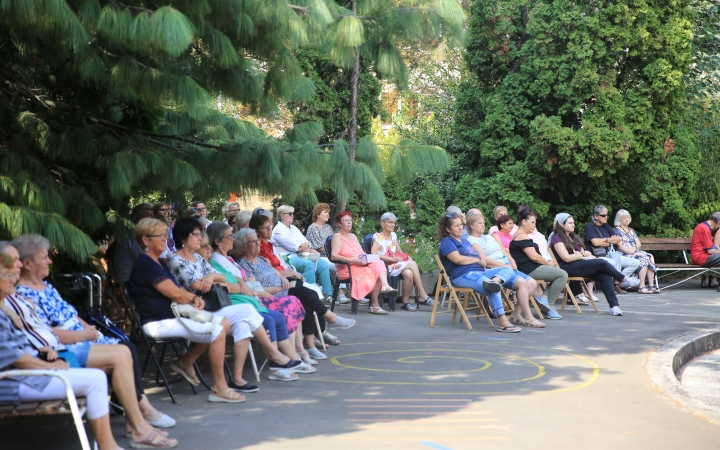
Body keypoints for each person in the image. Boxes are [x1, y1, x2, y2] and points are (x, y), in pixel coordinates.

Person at [1, 244, 178, 448]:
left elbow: (27, 338)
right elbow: (16, 356)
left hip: (44, 357)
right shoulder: (15, 298)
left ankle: (135, 424)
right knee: (109, 366)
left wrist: (45, 347)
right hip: (22, 378)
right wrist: (53, 362)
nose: (17, 270)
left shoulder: (15, 298)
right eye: (10, 267)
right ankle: (129, 430)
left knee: (123, 349)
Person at [167, 218, 307, 389]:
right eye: (195, 235)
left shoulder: (198, 258)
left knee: (244, 324)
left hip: (211, 304)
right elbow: (196, 285)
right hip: (195, 308)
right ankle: (274, 355)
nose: (200, 238)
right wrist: (217, 281)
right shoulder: (176, 259)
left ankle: (236, 378)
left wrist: (212, 277)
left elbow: (222, 278)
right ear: (183, 238)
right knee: (247, 310)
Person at [128, 218, 253, 402]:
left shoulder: (159, 263)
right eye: (160, 236)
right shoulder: (146, 264)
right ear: (146, 240)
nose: (165, 239)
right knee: (219, 328)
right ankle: (219, 388)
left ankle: (187, 361)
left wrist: (193, 298)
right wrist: (194, 298)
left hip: (173, 315)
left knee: (223, 323)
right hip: (158, 321)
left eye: (165, 235)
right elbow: (176, 293)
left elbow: (179, 292)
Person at [204, 223, 306, 381]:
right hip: (239, 302)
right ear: (217, 241)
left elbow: (237, 279)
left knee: (280, 315)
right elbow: (227, 285)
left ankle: (290, 357)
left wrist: (243, 285)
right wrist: (246, 288)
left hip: (251, 299)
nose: (233, 239)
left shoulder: (229, 259)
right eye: (230, 236)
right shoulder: (216, 261)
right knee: (272, 317)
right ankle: (278, 362)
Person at [248, 215, 354, 348]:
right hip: (274, 288)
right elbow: (259, 282)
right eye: (266, 227)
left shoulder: (269, 246)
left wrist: (289, 273)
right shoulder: (256, 253)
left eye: (270, 225)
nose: (270, 229)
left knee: (311, 294)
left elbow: (276, 268)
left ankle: (314, 338)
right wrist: (286, 277)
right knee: (304, 294)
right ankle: (324, 326)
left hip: (282, 280)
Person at [437, 213, 522, 332]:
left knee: (507, 269)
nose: (461, 227)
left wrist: (482, 262)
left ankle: (494, 281)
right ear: (448, 229)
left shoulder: (464, 241)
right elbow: (457, 259)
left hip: (480, 273)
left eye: (461, 225)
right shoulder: (448, 242)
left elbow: (480, 259)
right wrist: (477, 260)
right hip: (462, 275)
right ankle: (503, 322)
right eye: (456, 226)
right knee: (492, 288)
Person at [465, 214, 545, 327]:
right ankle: (529, 318)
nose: (483, 225)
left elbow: (503, 251)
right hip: (495, 270)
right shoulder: (471, 240)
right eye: (480, 223)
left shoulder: (488, 237)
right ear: (472, 226)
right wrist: (504, 265)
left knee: (531, 283)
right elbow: (484, 259)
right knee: (523, 283)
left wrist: (512, 261)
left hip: (507, 267)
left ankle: (516, 314)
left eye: (483, 222)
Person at [550, 213, 630, 316]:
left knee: (605, 276)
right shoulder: (557, 238)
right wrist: (582, 254)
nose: (573, 225)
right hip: (566, 267)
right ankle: (623, 279)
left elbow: (581, 252)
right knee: (601, 262)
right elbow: (566, 258)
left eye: (573, 222)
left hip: (578, 265)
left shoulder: (572, 238)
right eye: (570, 223)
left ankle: (614, 307)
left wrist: (588, 256)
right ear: (562, 224)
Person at [331, 211, 397, 315]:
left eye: (350, 220)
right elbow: (333, 256)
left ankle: (384, 287)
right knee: (376, 270)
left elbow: (361, 252)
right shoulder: (337, 236)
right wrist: (353, 260)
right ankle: (375, 305)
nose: (349, 223)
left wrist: (366, 258)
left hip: (360, 265)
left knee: (378, 264)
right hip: (347, 268)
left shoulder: (353, 236)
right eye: (346, 221)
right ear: (339, 224)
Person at [509, 207, 568, 320]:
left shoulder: (518, 234)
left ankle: (544, 299)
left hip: (530, 267)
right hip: (528, 269)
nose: (534, 225)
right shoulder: (521, 236)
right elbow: (534, 257)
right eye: (532, 222)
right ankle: (548, 304)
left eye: (535, 223)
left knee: (560, 274)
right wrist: (549, 264)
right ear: (524, 222)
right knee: (562, 274)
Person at [370, 212, 434, 311]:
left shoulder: (394, 236)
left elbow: (399, 252)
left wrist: (407, 257)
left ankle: (405, 302)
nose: (393, 225)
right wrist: (391, 259)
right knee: (412, 264)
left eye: (394, 223)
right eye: (390, 222)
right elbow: (373, 255)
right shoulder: (377, 237)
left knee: (409, 273)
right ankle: (422, 294)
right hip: (384, 267)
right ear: (382, 224)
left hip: (395, 265)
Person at [271, 205, 333, 299]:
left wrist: (305, 246)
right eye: (290, 213)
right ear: (282, 216)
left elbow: (306, 242)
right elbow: (294, 246)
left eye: (293, 213)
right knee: (308, 264)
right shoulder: (278, 230)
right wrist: (302, 246)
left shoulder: (293, 228)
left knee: (322, 263)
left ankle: (328, 295)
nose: (292, 215)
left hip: (299, 256)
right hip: (287, 259)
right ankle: (312, 294)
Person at [583, 205, 640, 294]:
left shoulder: (606, 226)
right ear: (596, 216)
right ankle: (617, 283)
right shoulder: (590, 226)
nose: (606, 217)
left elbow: (617, 239)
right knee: (612, 262)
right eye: (603, 215)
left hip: (609, 254)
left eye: (606, 215)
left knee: (635, 262)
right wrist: (608, 240)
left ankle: (617, 282)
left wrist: (606, 240)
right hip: (596, 256)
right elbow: (595, 243)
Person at [304, 203, 349, 304]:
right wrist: (336, 253)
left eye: (328, 212)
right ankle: (340, 294)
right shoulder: (312, 228)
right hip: (320, 257)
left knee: (346, 264)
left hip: (332, 255)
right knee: (339, 264)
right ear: (317, 214)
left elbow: (335, 242)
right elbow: (320, 247)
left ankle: (351, 294)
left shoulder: (328, 227)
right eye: (325, 212)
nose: (328, 214)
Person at [613, 209, 659, 294]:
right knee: (643, 259)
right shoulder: (616, 230)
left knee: (648, 257)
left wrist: (634, 249)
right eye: (624, 218)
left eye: (628, 217)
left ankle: (652, 285)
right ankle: (641, 286)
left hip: (634, 252)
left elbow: (638, 244)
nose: (627, 219)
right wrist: (632, 252)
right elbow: (620, 247)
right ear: (619, 219)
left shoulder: (631, 230)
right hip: (623, 254)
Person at [110, 203, 155, 284]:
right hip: (131, 285)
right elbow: (148, 263)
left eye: (152, 216)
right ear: (136, 218)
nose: (152, 219)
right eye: (148, 215)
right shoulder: (133, 235)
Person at [691, 212, 720, 291]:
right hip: (700, 257)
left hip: (702, 256)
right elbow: (710, 251)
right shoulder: (704, 229)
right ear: (718, 223)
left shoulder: (703, 227)